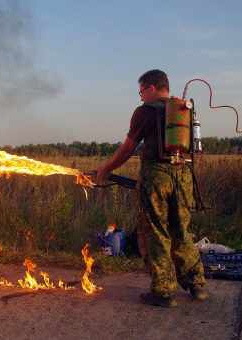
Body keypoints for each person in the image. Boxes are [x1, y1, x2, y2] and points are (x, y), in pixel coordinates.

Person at [95, 69, 208, 308]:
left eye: (141, 91)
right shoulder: (183, 109)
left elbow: (127, 149)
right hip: (184, 177)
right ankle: (196, 284)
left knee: (156, 232)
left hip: (156, 177)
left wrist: (106, 168)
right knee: (182, 231)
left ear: (151, 87)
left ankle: (164, 291)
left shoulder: (144, 112)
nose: (140, 96)